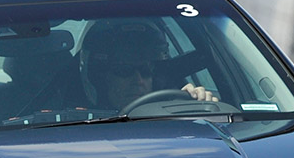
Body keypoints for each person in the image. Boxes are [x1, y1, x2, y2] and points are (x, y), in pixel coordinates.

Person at [79, 18, 218, 110]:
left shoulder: (171, 118)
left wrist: (199, 105)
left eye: (146, 71)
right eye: (124, 70)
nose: (138, 81)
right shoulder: (76, 128)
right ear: (99, 78)